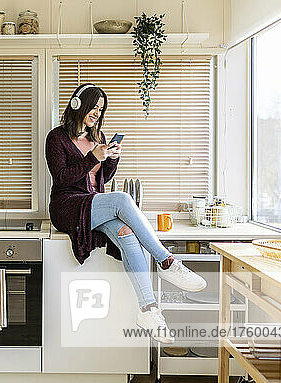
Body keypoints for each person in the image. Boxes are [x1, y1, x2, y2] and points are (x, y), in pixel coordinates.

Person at [45, 83, 207, 343]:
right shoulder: (57, 138)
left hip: (93, 204)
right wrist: (92, 158)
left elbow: (103, 179)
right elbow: (62, 179)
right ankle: (167, 261)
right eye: (93, 107)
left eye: (101, 109)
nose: (97, 113)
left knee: (127, 232)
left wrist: (111, 159)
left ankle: (148, 309)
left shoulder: (97, 137)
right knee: (122, 199)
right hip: (67, 206)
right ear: (78, 104)